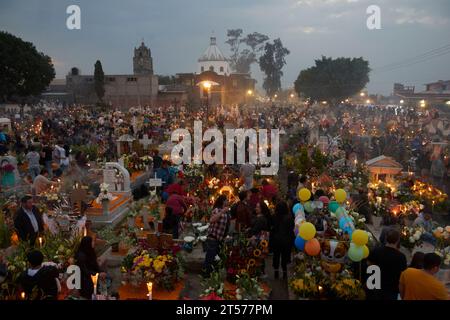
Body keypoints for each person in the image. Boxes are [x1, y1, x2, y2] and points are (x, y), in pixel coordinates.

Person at [367, 229, 407, 300]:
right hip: (391, 291)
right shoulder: (401, 257)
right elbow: (403, 275)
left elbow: (369, 264)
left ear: (386, 238)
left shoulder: (377, 250)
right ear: (398, 241)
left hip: (375, 286)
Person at [203, 195, 230, 276]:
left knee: (218, 259)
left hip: (220, 239)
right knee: (209, 259)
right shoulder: (217, 210)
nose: (228, 201)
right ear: (222, 201)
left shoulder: (227, 211)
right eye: (226, 200)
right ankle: (206, 276)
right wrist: (222, 212)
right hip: (213, 239)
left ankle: (213, 276)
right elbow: (211, 220)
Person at [271, 201, 294, 280]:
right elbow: (291, 229)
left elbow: (272, 228)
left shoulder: (274, 216)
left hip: (276, 239)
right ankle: (284, 273)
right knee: (285, 256)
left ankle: (276, 272)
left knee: (276, 256)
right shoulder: (289, 217)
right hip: (286, 240)